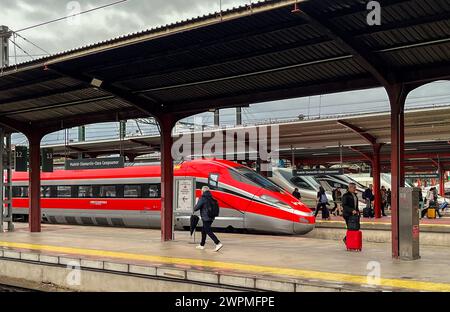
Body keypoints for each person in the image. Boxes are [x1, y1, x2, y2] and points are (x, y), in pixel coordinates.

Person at [194, 186, 223, 251]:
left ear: (203, 191)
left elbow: (196, 208)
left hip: (206, 217)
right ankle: (202, 245)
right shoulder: (211, 198)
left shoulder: (203, 198)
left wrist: (196, 203)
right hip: (211, 217)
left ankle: (218, 243)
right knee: (203, 231)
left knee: (208, 231)